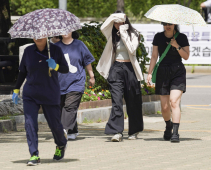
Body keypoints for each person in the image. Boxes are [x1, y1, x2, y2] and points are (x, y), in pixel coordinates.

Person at [12, 38, 69, 165]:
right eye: (35, 34)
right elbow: (22, 72)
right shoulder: (28, 51)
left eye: (41, 34)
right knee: (30, 124)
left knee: (55, 125)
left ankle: (61, 144)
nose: (38, 37)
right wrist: (16, 88)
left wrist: (56, 66)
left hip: (50, 92)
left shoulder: (55, 50)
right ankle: (34, 154)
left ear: (46, 34)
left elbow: (66, 69)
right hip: (31, 93)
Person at [97, 11, 144, 142]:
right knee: (117, 101)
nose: (117, 24)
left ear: (125, 21)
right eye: (115, 22)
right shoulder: (112, 34)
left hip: (130, 69)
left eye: (119, 21)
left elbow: (132, 49)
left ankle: (134, 131)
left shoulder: (134, 34)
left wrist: (124, 32)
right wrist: (113, 17)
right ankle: (117, 131)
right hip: (116, 68)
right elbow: (102, 27)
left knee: (133, 100)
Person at [147, 22, 190, 142]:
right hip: (163, 72)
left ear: (175, 24)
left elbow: (186, 56)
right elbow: (154, 56)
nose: (168, 26)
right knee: (165, 107)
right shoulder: (158, 37)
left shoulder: (181, 37)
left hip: (177, 72)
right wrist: (150, 72)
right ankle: (168, 126)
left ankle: (175, 134)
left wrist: (177, 46)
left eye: (170, 24)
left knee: (174, 102)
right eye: (165, 24)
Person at [55, 31, 95, 140]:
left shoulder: (79, 45)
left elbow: (87, 61)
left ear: (72, 30)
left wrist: (91, 76)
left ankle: (62, 130)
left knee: (70, 106)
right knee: (60, 107)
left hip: (76, 82)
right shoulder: (55, 47)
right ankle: (72, 131)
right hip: (60, 83)